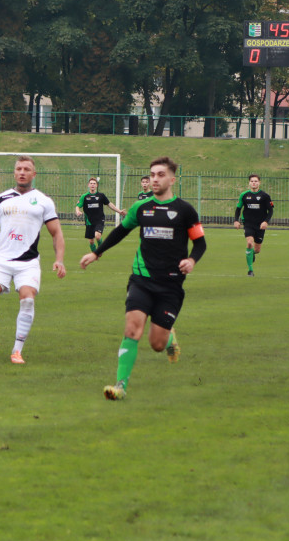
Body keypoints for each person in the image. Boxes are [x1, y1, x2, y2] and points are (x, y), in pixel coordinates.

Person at [80, 157, 206, 401]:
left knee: (157, 344)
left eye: (160, 175)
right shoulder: (142, 208)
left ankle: (169, 336)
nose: (154, 179)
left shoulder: (185, 210)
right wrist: (96, 253)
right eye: (152, 174)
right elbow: (120, 231)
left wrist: (191, 260)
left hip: (170, 285)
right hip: (141, 279)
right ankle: (120, 385)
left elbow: (200, 243)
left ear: (172, 179)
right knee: (132, 329)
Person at [0, 156, 66, 364]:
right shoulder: (1, 198)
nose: (22, 172)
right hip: (2, 260)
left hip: (28, 262)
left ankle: (17, 350)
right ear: (14, 173)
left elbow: (56, 233)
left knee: (27, 300)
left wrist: (59, 259)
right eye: (19, 168)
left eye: (27, 169)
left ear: (34, 174)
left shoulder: (44, 201)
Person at [234, 174, 273, 277]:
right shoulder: (244, 195)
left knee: (257, 250)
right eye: (252, 181)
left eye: (256, 181)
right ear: (249, 183)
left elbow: (271, 210)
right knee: (249, 243)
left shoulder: (265, 196)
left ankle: (252, 254)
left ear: (259, 183)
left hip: (260, 225)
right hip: (248, 224)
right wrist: (236, 220)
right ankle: (250, 270)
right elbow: (238, 209)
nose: (254, 183)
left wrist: (266, 222)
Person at [75, 177, 124, 252]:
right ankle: (94, 252)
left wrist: (119, 211)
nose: (92, 185)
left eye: (94, 183)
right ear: (88, 185)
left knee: (97, 236)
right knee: (91, 241)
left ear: (96, 185)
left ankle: (100, 250)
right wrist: (78, 211)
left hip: (99, 219)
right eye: (91, 183)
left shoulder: (101, 196)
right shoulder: (84, 196)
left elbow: (109, 204)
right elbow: (78, 206)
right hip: (89, 221)